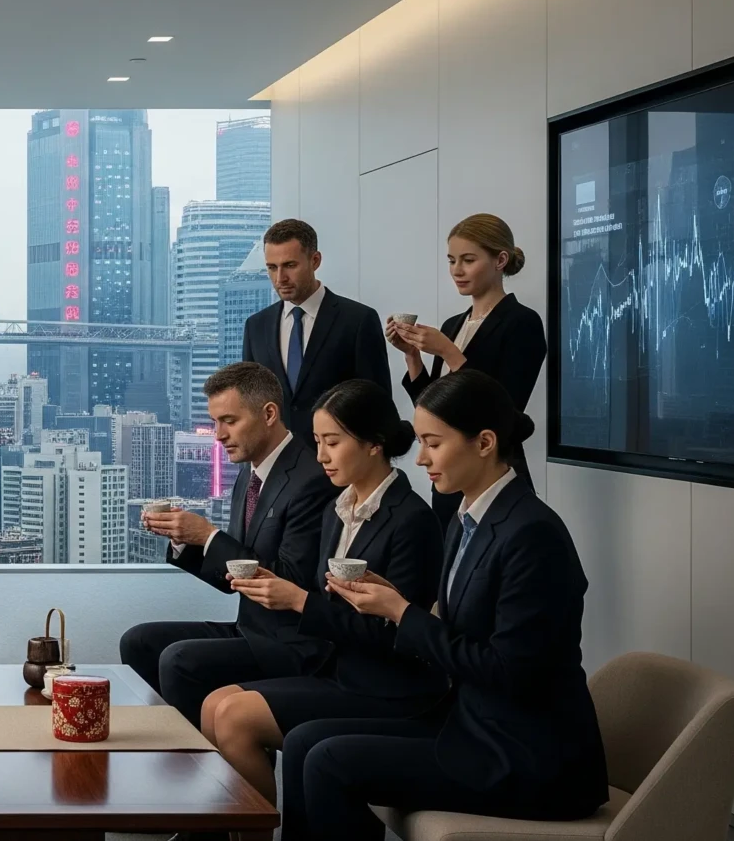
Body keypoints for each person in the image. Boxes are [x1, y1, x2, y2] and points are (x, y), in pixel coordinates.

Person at [283, 370, 606, 840]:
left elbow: (510, 672)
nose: (420, 458)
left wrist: (400, 613)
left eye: (433, 443)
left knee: (330, 762)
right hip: (469, 721)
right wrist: (388, 600)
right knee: (305, 741)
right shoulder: (467, 516)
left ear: (485, 442)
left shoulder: (533, 534)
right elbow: (454, 625)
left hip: (522, 752)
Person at [199, 379, 445, 805]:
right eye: (316, 442)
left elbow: (399, 639)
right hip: (337, 667)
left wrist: (298, 600)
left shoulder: (411, 520)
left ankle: (254, 830)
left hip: (384, 683)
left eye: (331, 442)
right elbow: (324, 598)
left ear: (373, 444)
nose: (320, 456)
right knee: (213, 705)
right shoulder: (338, 510)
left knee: (234, 717)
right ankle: (228, 831)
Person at [122, 362, 335, 725]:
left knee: (179, 659)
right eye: (216, 421)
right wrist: (185, 541)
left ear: (269, 414)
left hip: (292, 642)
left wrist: (208, 536)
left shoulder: (310, 478)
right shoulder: (249, 474)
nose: (218, 434)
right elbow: (231, 579)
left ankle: (208, 764)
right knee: (138, 641)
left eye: (229, 421)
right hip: (251, 628)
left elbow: (290, 580)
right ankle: (182, 747)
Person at [389, 213, 547, 526]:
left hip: (493, 472)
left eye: (468, 260)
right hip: (448, 475)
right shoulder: (453, 324)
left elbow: (505, 411)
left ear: (500, 260)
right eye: (451, 261)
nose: (457, 271)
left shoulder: (521, 322)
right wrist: (412, 356)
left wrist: (449, 351)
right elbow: (434, 408)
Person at [242, 219, 393, 442]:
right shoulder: (256, 326)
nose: (280, 278)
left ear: (315, 260)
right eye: (272, 268)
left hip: (339, 467)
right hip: (275, 465)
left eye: (290, 265)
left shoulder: (358, 320)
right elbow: (249, 403)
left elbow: (377, 404)